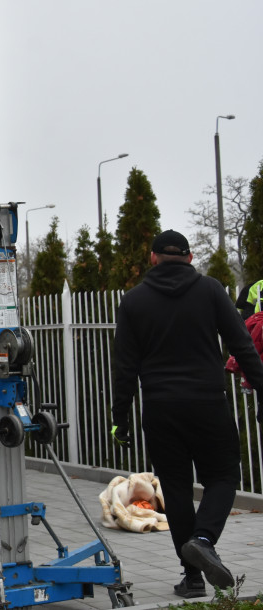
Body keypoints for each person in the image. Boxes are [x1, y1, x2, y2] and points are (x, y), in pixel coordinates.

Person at [112, 229, 263, 598]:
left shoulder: (133, 301)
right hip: (208, 403)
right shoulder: (211, 290)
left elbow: (124, 366)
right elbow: (242, 344)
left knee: (176, 488)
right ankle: (203, 538)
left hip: (161, 409)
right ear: (190, 257)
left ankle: (192, 578)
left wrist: (121, 419)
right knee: (224, 476)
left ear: (152, 258)